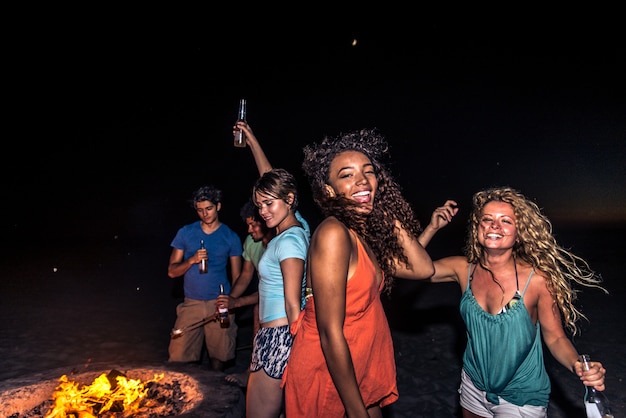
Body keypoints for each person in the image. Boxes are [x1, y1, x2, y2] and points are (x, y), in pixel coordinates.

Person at [283, 128, 435, 417]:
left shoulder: (359, 234)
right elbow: (329, 331)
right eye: (347, 175)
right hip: (328, 374)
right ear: (329, 190)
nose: (363, 180)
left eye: (369, 172)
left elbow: (422, 268)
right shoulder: (333, 234)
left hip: (359, 368)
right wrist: (355, 411)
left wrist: (383, 209)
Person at [418, 187, 608, 418]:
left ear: (519, 233)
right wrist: (432, 228)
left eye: (505, 221)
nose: (494, 226)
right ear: (477, 228)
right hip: (473, 386)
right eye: (486, 220)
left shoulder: (537, 279)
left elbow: (555, 336)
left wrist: (576, 364)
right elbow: (411, 268)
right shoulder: (462, 268)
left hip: (520, 397)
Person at [226, 121, 311, 417]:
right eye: (258, 205)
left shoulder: (290, 240)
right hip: (270, 334)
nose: (262, 211)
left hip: (279, 336)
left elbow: (292, 302)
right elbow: (271, 180)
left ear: (289, 201)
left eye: (268, 205)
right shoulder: (291, 227)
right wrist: (251, 139)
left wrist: (296, 346)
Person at [167, 185, 243, 372]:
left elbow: (238, 276)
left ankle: (215, 388)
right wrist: (192, 260)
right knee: (178, 356)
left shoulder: (230, 237)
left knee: (220, 354)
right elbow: (172, 271)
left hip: (218, 302)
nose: (205, 214)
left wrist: (230, 302)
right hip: (191, 303)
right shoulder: (185, 233)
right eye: (200, 210)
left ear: (218, 206)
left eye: (209, 208)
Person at [223, 198, 275, 387]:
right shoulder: (251, 242)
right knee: (257, 311)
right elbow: (245, 276)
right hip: (265, 299)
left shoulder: (278, 244)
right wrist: (230, 299)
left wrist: (237, 303)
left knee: (257, 310)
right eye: (248, 225)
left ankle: (253, 373)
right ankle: (253, 371)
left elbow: (275, 290)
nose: (249, 230)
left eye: (253, 225)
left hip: (284, 300)